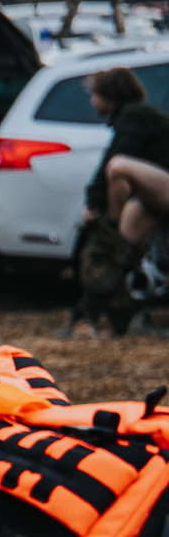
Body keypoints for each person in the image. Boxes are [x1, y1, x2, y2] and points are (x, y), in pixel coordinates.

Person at [75, 66, 169, 338]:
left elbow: (113, 159)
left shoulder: (136, 116)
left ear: (110, 95)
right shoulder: (132, 118)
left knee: (119, 167)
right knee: (121, 248)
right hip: (157, 197)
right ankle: (109, 314)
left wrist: (94, 202)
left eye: (95, 95)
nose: (92, 102)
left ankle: (111, 223)